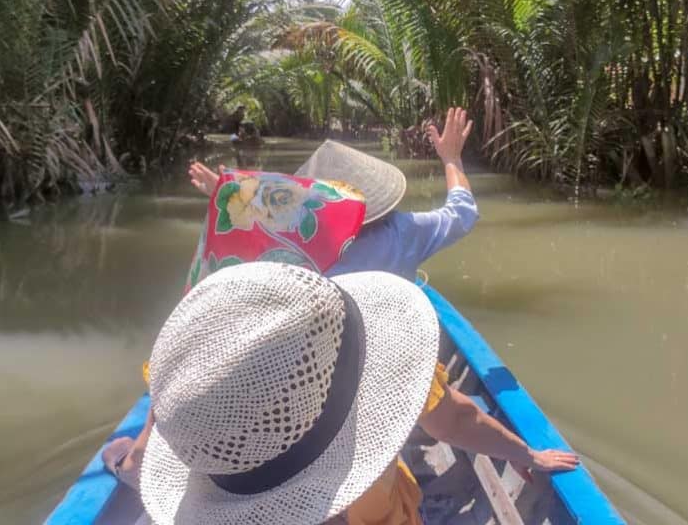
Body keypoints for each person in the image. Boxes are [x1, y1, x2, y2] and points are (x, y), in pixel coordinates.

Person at [135, 262, 579, 525]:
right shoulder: (319, 360)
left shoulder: (213, 425)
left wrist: (134, 458)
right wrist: (527, 453)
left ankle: (122, 456)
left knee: (125, 457)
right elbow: (456, 421)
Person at [102, 170, 367, 489]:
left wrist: (125, 463)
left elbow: (146, 452)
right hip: (331, 473)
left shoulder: (201, 349)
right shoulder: (317, 325)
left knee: (137, 448)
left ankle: (127, 463)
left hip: (244, 466)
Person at [189, 107, 479, 280]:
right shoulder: (403, 232)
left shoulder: (293, 243)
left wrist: (229, 195)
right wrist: (451, 159)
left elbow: (254, 226)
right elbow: (462, 213)